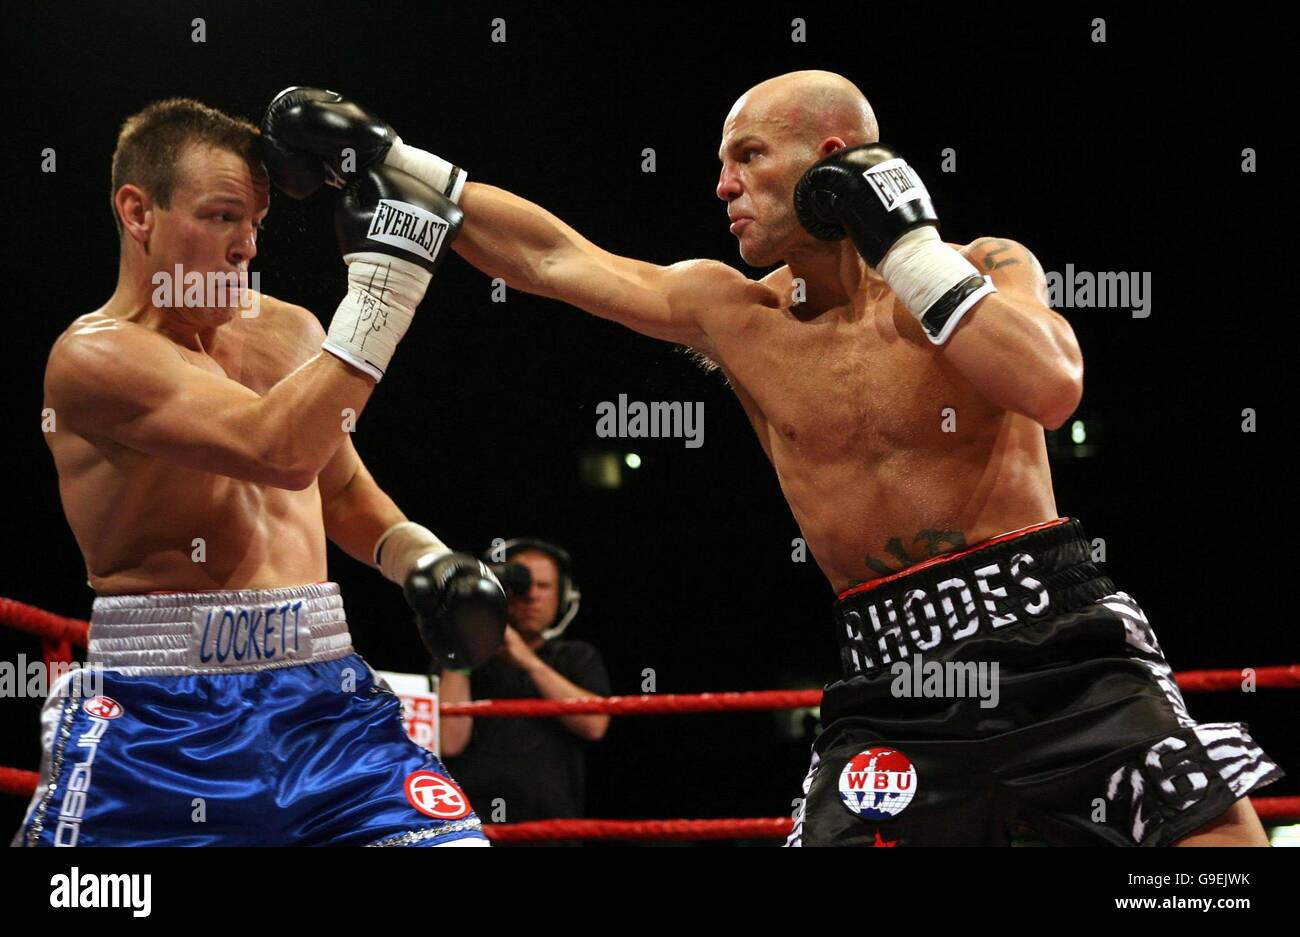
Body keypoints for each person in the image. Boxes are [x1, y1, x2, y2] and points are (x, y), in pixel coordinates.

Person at [275, 73, 1282, 845]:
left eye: (748, 158)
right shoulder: (737, 314)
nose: (722, 187)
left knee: (1212, 858)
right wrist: (386, 151)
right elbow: (553, 259)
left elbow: (1051, 384)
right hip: (892, 670)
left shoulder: (980, 267)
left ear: (832, 158)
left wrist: (910, 244)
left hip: (1053, 632)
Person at [13, 96, 504, 847]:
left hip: (325, 705)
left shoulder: (291, 330)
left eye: (255, 223)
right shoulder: (92, 359)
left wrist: (422, 560)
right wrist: (385, 288)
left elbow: (334, 483)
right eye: (219, 217)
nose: (244, 246)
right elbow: (278, 451)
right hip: (161, 719)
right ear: (138, 211)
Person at [441, 539, 610, 825]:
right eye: (522, 585)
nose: (532, 596)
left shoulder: (576, 656)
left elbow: (595, 725)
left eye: (544, 586)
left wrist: (528, 662)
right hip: (473, 827)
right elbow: (449, 742)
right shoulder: (463, 657)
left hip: (550, 829)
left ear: (563, 596)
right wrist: (465, 643)